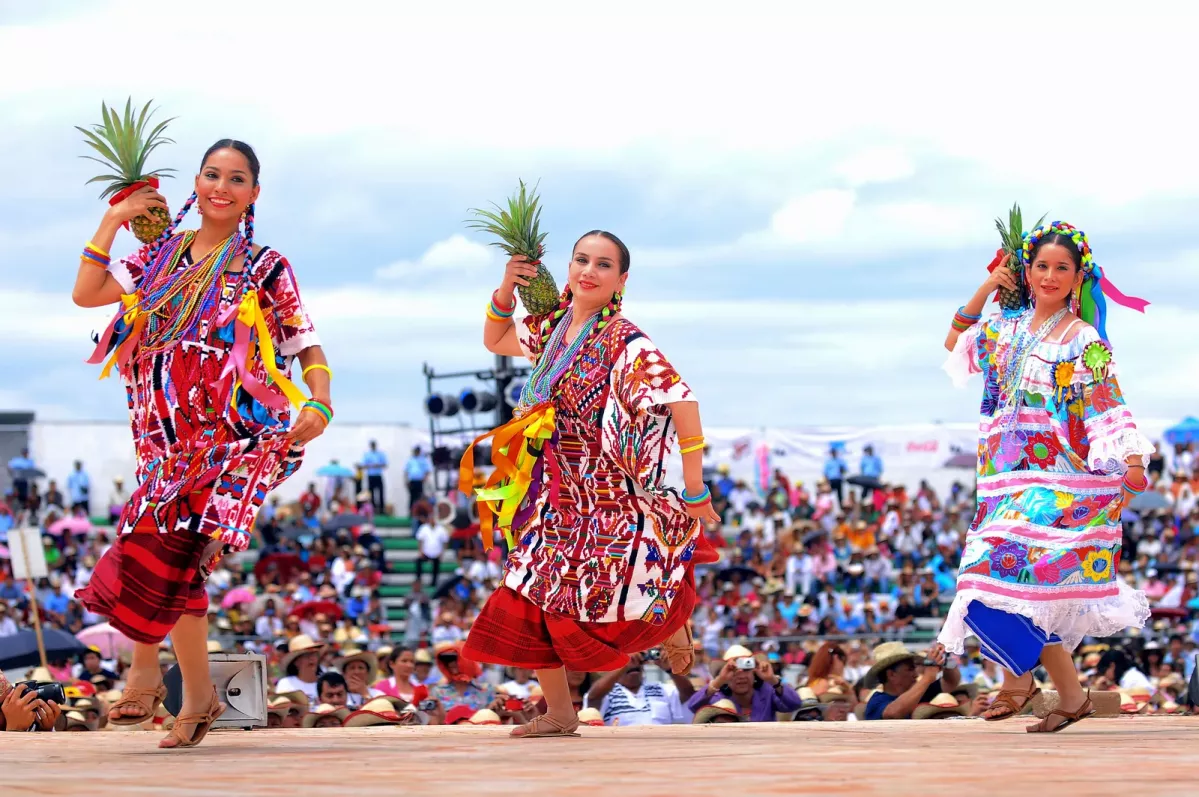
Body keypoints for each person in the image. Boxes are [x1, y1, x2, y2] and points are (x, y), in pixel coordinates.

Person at [71, 140, 332, 749]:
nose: (222, 186)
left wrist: (319, 399)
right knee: (175, 563)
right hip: (164, 442)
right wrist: (113, 219)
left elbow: (304, 345)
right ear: (195, 181)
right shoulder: (159, 256)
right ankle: (199, 697)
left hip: (237, 436)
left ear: (253, 194)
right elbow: (87, 294)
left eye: (236, 178)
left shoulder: (266, 266)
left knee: (169, 549)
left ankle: (144, 674)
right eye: (212, 174)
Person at [459, 230, 720, 738]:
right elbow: (495, 339)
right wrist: (505, 291)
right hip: (555, 493)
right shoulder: (554, 327)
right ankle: (560, 711)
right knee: (526, 593)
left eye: (603, 265)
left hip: (609, 495)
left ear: (621, 280)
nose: (588, 271)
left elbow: (683, 403)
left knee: (618, 584)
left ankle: (671, 610)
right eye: (581, 259)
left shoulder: (626, 341)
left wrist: (694, 489)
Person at [937, 221, 1152, 733]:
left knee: (990, 581)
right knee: (998, 588)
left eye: (1062, 268)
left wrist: (1133, 459)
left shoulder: (1083, 339)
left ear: (1079, 277)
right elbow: (954, 342)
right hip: (1005, 481)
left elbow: (1107, 399)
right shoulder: (1005, 328)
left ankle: (1026, 683)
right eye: (1041, 267)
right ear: (1026, 273)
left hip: (1061, 480)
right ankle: (1060, 692)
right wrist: (991, 285)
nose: (1050, 276)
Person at [685, 646, 804, 722]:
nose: (741, 676)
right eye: (733, 670)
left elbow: (795, 704)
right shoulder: (717, 697)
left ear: (755, 672)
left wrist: (772, 680)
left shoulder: (767, 692)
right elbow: (692, 706)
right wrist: (719, 680)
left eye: (746, 669)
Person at [863, 641, 961, 720]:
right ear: (891, 675)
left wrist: (945, 658)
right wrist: (927, 677)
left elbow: (951, 682)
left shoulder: (919, 693)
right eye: (910, 669)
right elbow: (893, 713)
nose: (916, 674)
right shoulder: (876, 701)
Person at [361, 441, 388, 514]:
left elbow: (385, 464)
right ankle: (372, 510)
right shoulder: (367, 454)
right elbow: (363, 465)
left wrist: (378, 465)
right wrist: (371, 465)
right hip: (371, 476)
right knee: (371, 494)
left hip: (378, 475)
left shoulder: (380, 454)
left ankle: (382, 510)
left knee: (381, 493)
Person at [404, 446, 431, 514]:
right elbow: (406, 471)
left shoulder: (423, 460)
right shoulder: (410, 460)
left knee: (419, 497)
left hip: (419, 481)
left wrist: (424, 478)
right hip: (412, 481)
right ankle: (411, 513)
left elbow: (427, 471)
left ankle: (419, 512)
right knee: (412, 497)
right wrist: (406, 481)